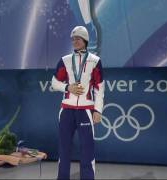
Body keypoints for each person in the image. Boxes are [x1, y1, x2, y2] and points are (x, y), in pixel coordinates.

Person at [51, 26, 104, 180]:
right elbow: (54, 82)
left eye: (78, 38)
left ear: (85, 40)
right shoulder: (65, 60)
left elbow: (99, 88)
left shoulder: (95, 61)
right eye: (73, 39)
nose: (75, 41)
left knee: (87, 151)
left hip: (86, 111)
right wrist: (68, 87)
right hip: (66, 110)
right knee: (64, 150)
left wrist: (98, 110)